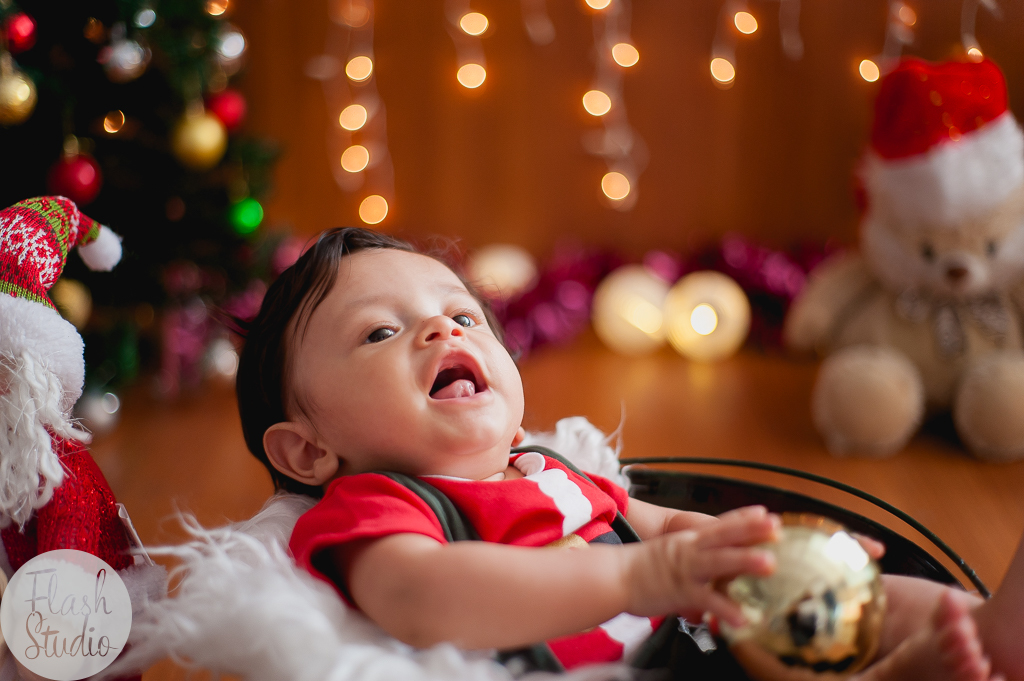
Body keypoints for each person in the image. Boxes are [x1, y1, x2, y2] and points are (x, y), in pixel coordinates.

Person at [235, 227, 1023, 681]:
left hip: (687, 643)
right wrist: (641, 577)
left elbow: (664, 524)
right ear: (309, 451)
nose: (445, 332)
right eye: (380, 331)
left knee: (857, 597)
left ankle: (989, 632)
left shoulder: (548, 468)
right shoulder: (381, 506)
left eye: (464, 315)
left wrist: (772, 551)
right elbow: (427, 594)